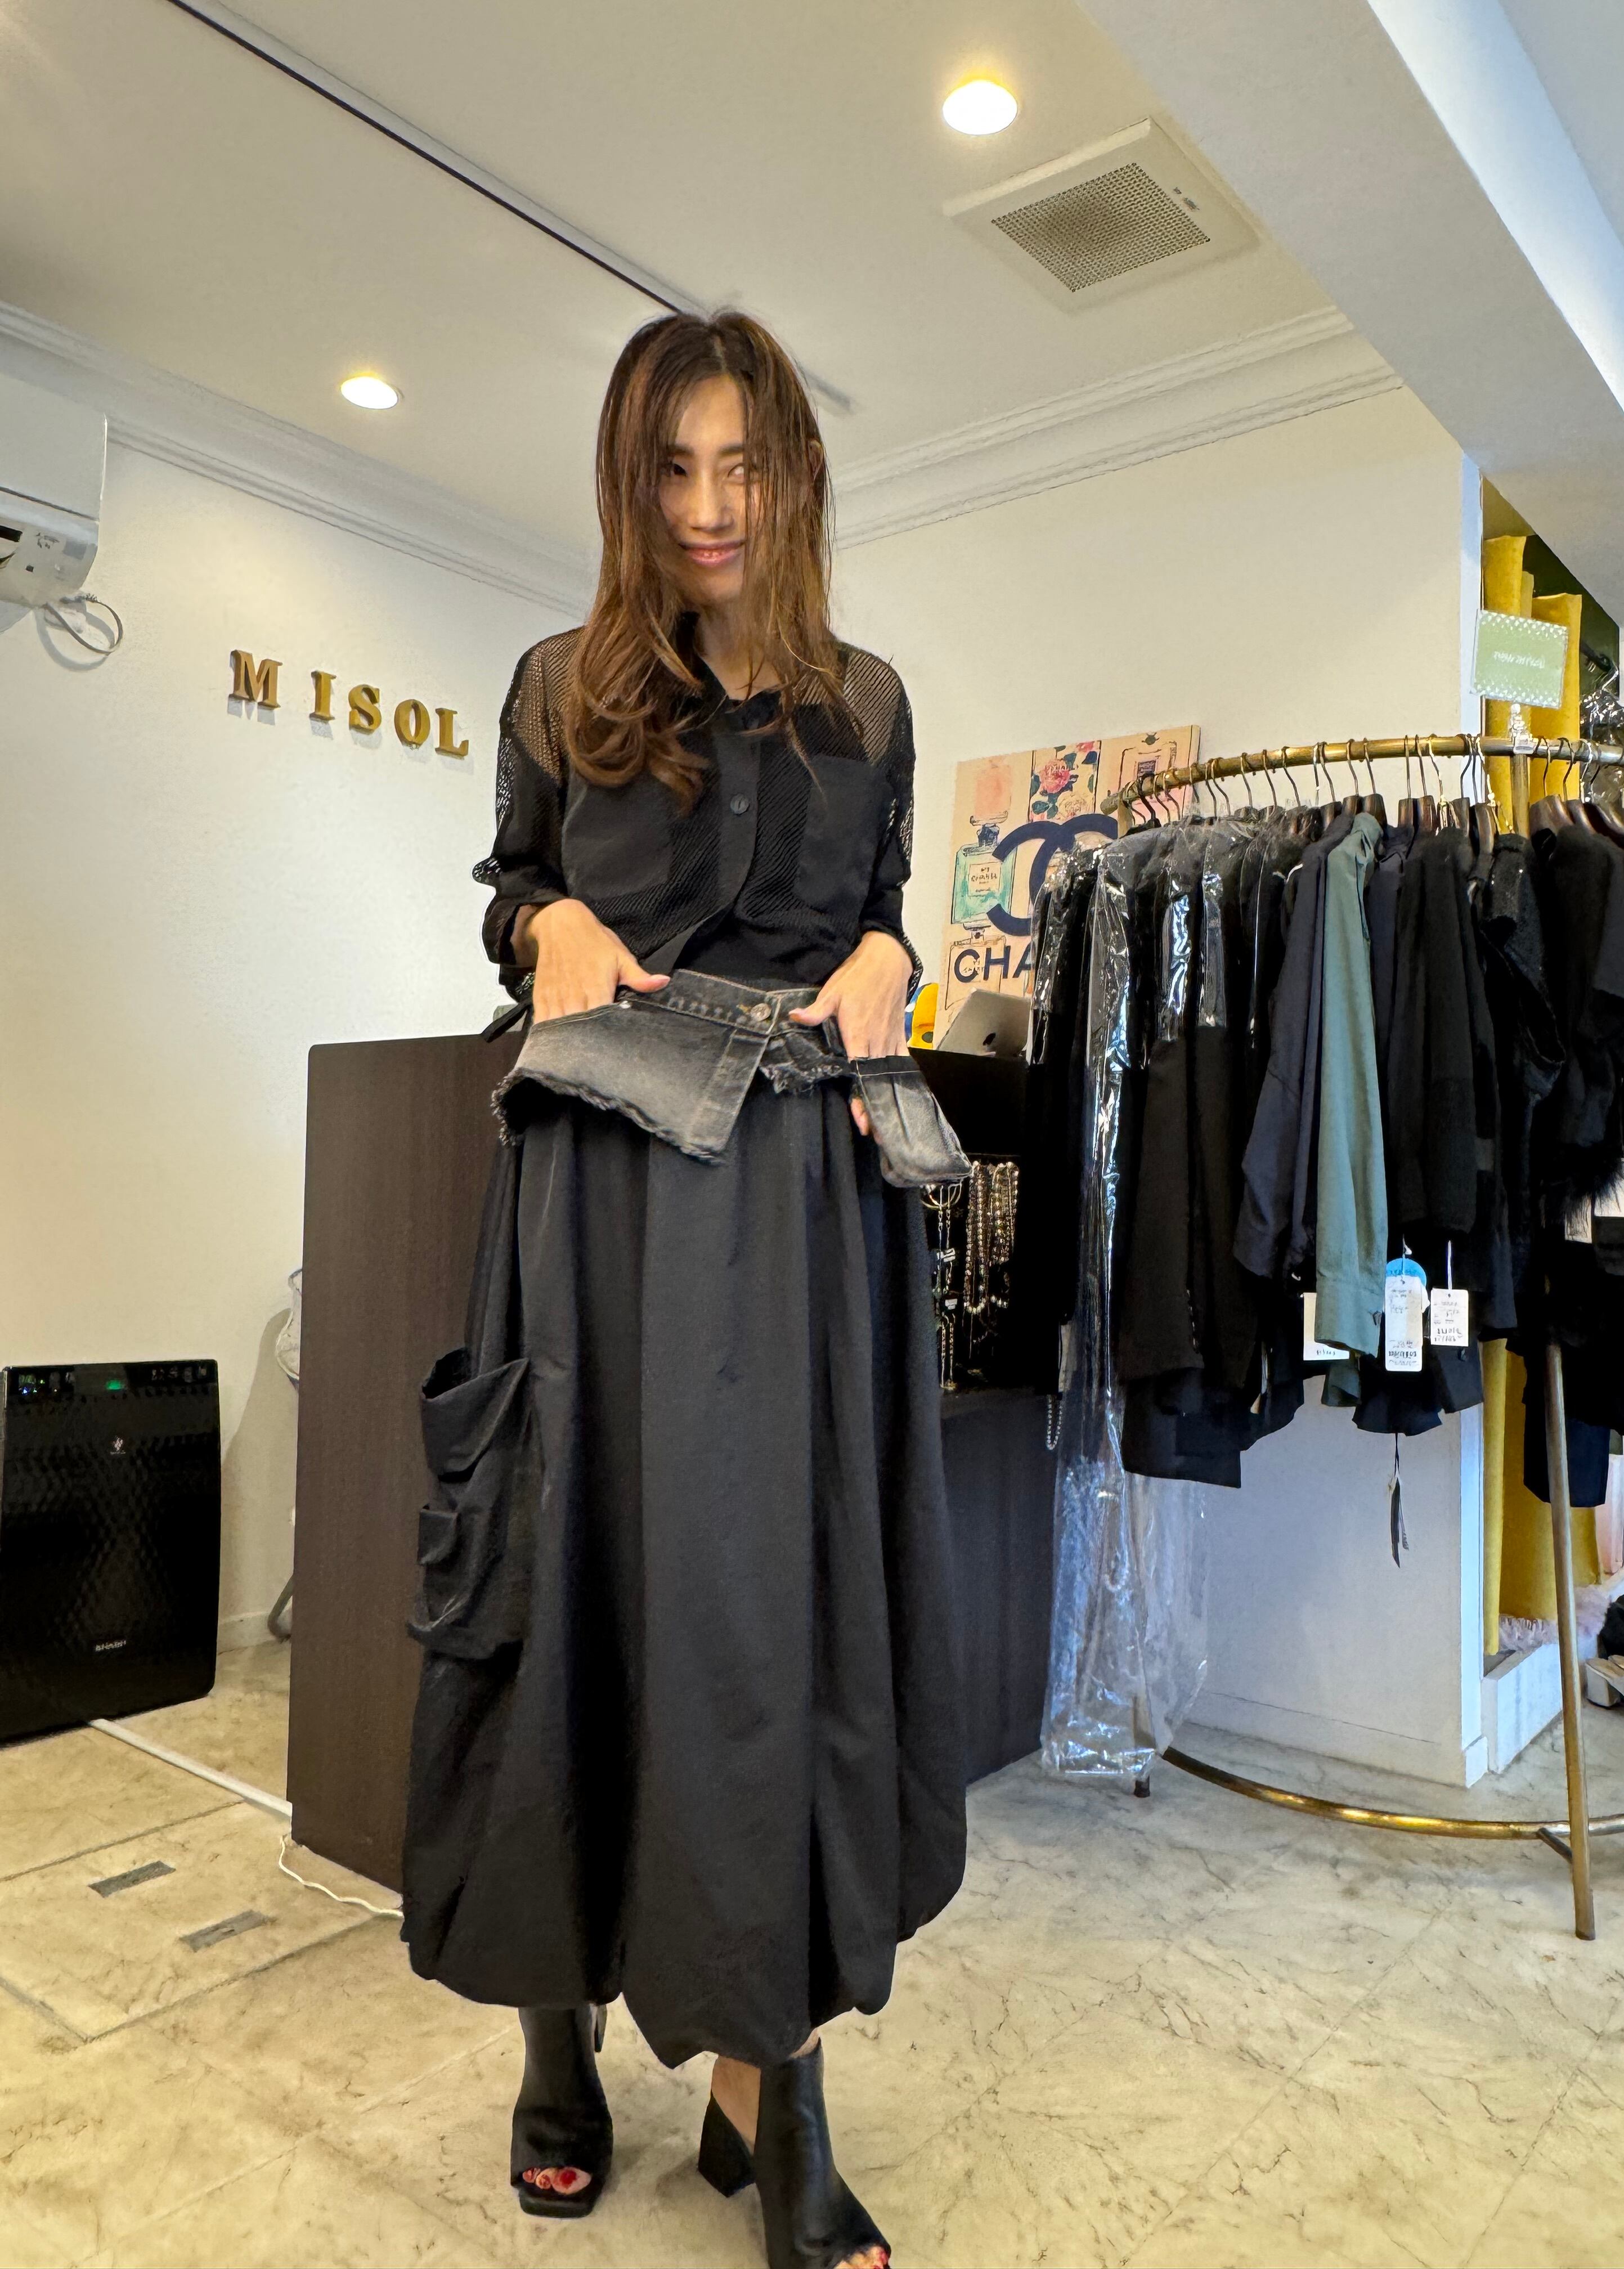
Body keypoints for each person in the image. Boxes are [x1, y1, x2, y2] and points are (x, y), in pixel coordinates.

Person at [400, 309, 969, 2269]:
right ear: (627, 484)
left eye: (744, 467)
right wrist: (547, 916)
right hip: (598, 1195)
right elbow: (507, 889)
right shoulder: (560, 688)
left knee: (771, 1626)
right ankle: (552, 2039)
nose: (710, 507)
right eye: (673, 468)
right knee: (567, 1584)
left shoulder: (869, 703)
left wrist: (894, 954)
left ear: (793, 478)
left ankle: (773, 2087)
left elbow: (879, 917)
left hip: (801, 1210)